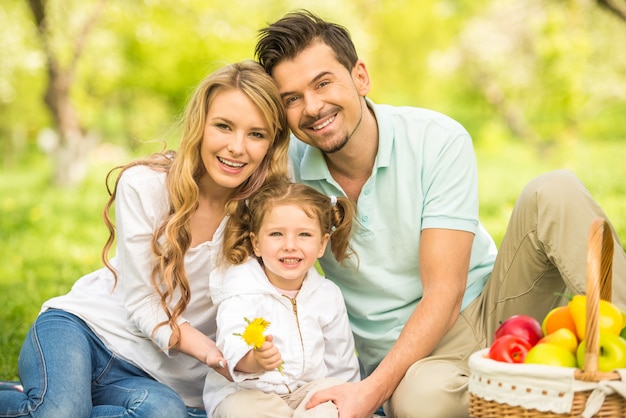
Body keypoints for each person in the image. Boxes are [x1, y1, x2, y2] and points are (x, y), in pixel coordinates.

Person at [254, 10, 626, 418]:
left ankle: (616, 353)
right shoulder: (285, 173)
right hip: (413, 363)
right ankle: (531, 389)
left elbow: (444, 294)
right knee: (420, 403)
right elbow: (223, 161)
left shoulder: (436, 139)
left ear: (360, 76)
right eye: (291, 99)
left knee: (554, 189)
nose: (312, 107)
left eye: (323, 83)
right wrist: (173, 167)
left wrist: (368, 394)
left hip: (490, 306)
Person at [0, 60, 290, 418]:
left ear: (272, 143)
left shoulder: (264, 214)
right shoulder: (146, 185)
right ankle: (55, 402)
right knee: (59, 414)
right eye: (223, 126)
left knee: (164, 415)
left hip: (151, 377)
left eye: (256, 134)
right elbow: (143, 303)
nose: (237, 147)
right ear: (200, 125)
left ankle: (51, 400)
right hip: (83, 332)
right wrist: (217, 355)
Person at [203, 178, 360, 417]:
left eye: (304, 235)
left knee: (332, 406)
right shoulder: (241, 289)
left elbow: (341, 362)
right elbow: (231, 343)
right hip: (250, 392)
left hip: (308, 392)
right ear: (256, 243)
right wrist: (254, 360)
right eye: (276, 234)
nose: (290, 245)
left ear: (321, 244)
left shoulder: (327, 295)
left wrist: (345, 399)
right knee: (240, 411)